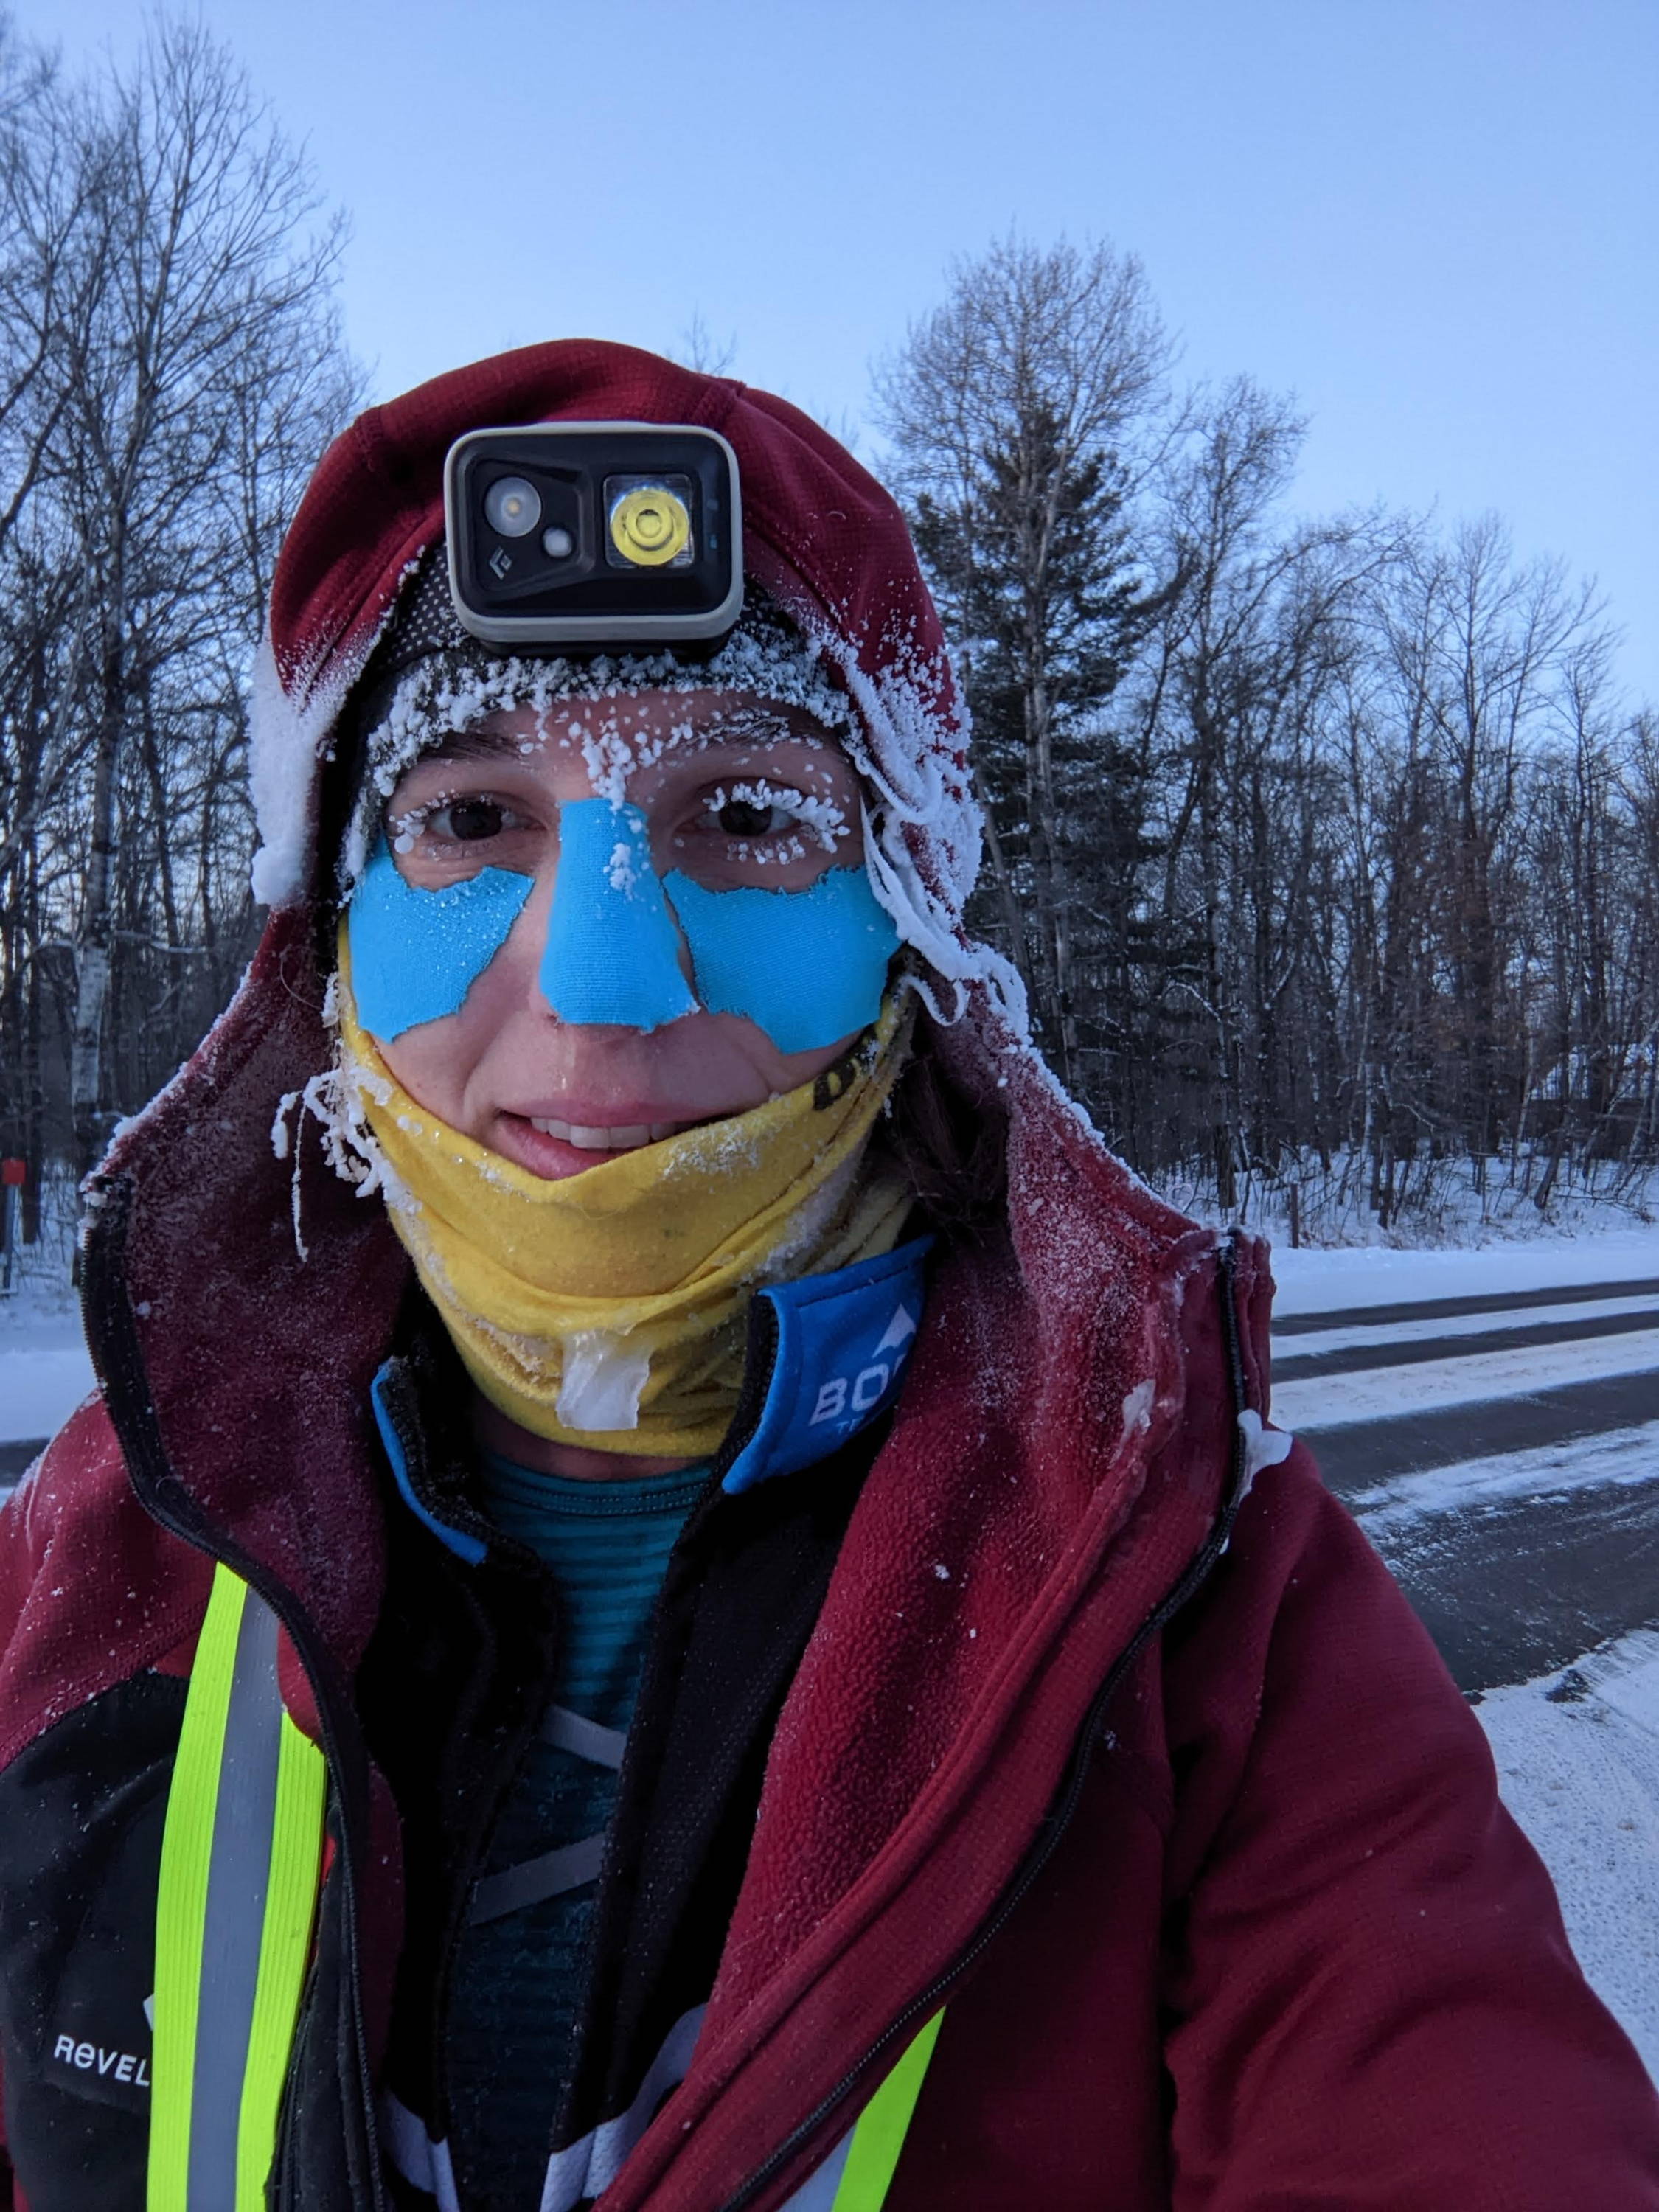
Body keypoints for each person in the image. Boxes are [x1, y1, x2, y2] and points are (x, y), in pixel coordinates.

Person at [0, 340, 1655, 2212]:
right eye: (467, 820)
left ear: (911, 936)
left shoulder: (1211, 1617)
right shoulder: (72, 1575)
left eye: (751, 818)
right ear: (329, 947)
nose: (606, 981)